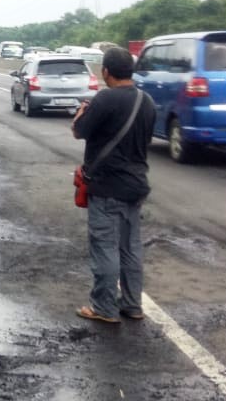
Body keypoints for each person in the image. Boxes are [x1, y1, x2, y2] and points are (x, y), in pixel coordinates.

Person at [70, 48, 155, 323]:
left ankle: (104, 308)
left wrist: (82, 113)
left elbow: (80, 131)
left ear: (106, 71)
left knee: (105, 247)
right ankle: (132, 304)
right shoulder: (146, 100)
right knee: (130, 248)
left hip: (107, 187)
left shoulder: (105, 98)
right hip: (136, 185)